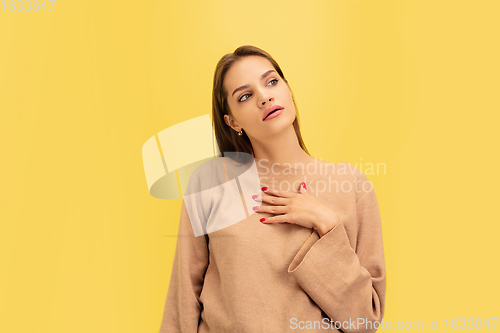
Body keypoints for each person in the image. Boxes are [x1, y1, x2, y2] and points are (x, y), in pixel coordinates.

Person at [159, 45, 386, 332]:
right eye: (245, 96)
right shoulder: (211, 184)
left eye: (271, 82)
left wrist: (326, 223)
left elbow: (365, 320)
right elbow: (183, 301)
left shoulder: (351, 185)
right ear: (232, 122)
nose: (264, 97)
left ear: (288, 89)